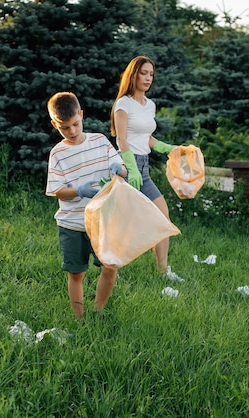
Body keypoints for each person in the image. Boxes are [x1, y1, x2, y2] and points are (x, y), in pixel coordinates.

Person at [46, 91, 127, 319]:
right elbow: (57, 190)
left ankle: (98, 311)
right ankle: (78, 318)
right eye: (64, 128)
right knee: (76, 273)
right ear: (55, 124)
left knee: (110, 268)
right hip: (72, 224)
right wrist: (79, 191)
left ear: (81, 115)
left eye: (75, 124)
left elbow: (123, 170)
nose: (72, 131)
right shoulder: (58, 153)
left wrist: (117, 169)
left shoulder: (100, 141)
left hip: (103, 220)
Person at [110, 56, 177, 274]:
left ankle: (162, 271)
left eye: (151, 74)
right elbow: (122, 139)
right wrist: (131, 169)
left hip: (144, 169)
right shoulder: (124, 103)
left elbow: (146, 138)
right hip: (127, 166)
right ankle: (112, 271)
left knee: (162, 217)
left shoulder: (150, 105)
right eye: (143, 73)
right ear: (134, 74)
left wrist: (168, 148)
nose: (148, 78)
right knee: (123, 224)